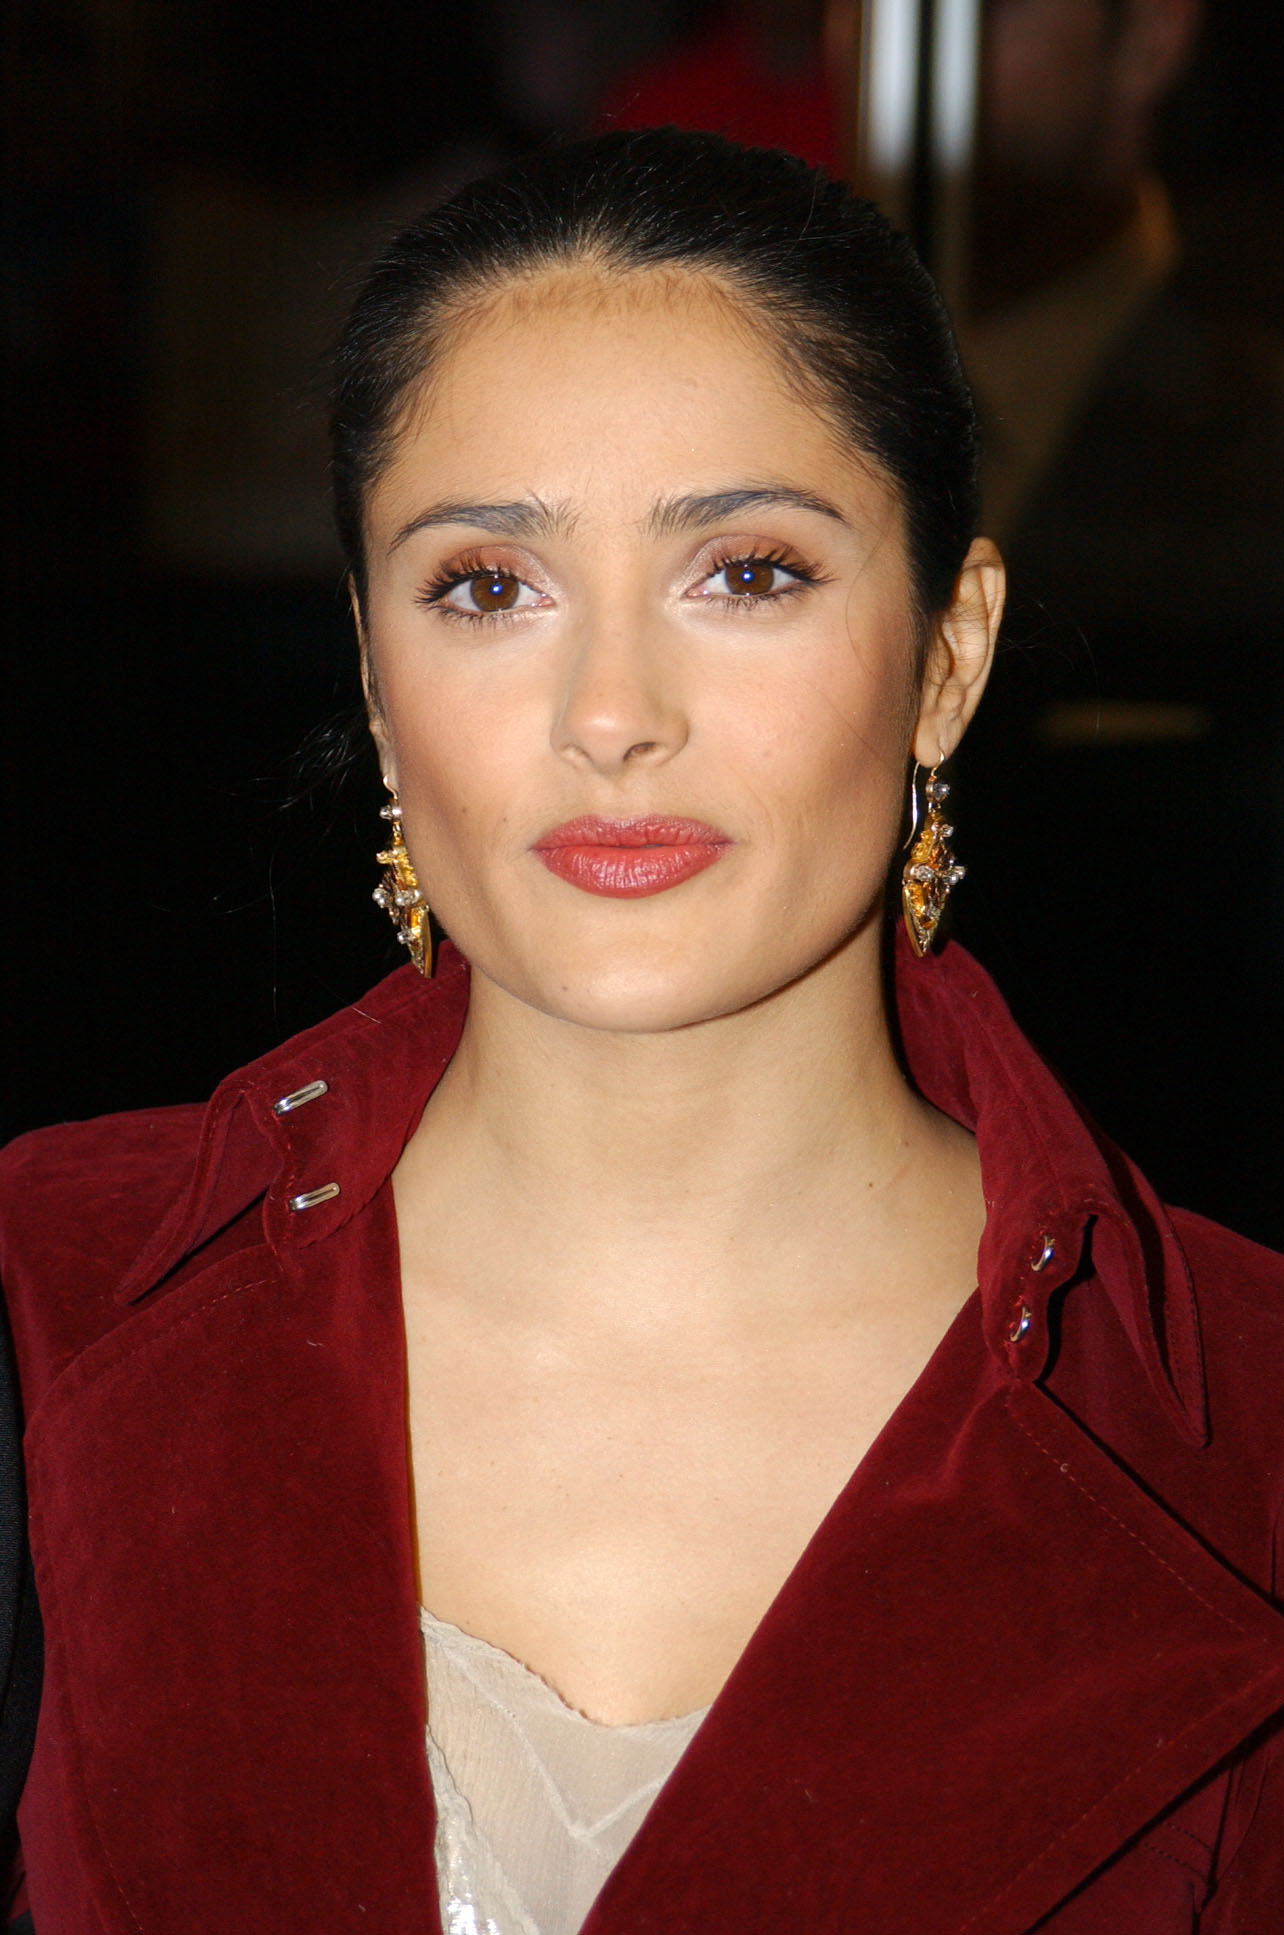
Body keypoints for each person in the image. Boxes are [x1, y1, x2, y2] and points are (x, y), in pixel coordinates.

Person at [1, 129, 1282, 1934]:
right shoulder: (50, 1293)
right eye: (488, 587)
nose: (611, 713)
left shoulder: (1243, 1419)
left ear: (950, 655)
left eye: (746, 573)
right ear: (374, 680)